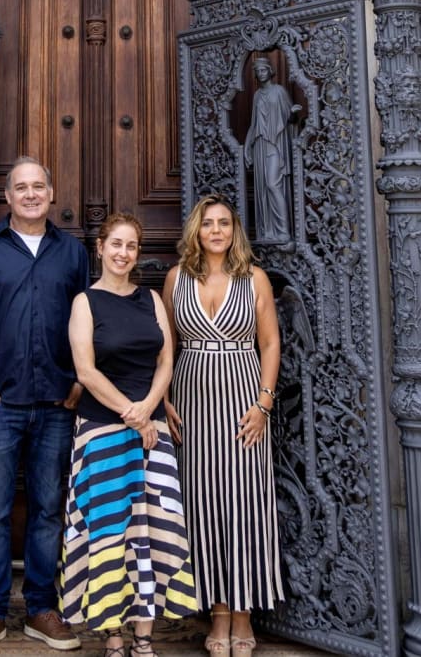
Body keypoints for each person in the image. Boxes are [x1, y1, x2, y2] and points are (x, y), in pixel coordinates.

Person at [0, 156, 89, 655]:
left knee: (47, 511)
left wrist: (80, 377)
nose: (31, 194)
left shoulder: (73, 253)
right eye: (21, 187)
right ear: (7, 197)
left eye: (39, 186)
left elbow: (87, 320)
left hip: (58, 401)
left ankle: (40, 608)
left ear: (51, 193)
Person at [61, 213, 198, 657]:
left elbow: (166, 362)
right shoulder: (86, 301)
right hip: (103, 429)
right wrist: (129, 412)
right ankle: (113, 637)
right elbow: (85, 369)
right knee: (108, 534)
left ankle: (143, 638)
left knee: (150, 532)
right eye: (115, 244)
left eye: (131, 246)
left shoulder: (152, 299)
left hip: (151, 432)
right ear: (99, 248)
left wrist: (149, 409)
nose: (123, 253)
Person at [162, 195, 284, 657]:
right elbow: (168, 345)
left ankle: (243, 613)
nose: (216, 231)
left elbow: (269, 343)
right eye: (208, 223)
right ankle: (216, 613)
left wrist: (264, 403)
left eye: (224, 224)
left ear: (234, 231)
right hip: (192, 397)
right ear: (196, 230)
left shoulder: (253, 279)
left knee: (245, 500)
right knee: (203, 501)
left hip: (241, 397)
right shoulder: (177, 278)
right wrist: (167, 399)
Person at [243, 56, 298, 244]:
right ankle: (267, 231)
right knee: (263, 189)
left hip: (276, 144)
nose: (261, 73)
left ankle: (284, 231)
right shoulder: (257, 95)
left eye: (264, 70)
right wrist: (246, 148)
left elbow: (290, 119)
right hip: (260, 144)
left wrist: (293, 113)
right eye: (258, 71)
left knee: (273, 184)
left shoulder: (279, 91)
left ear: (270, 71)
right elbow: (253, 124)